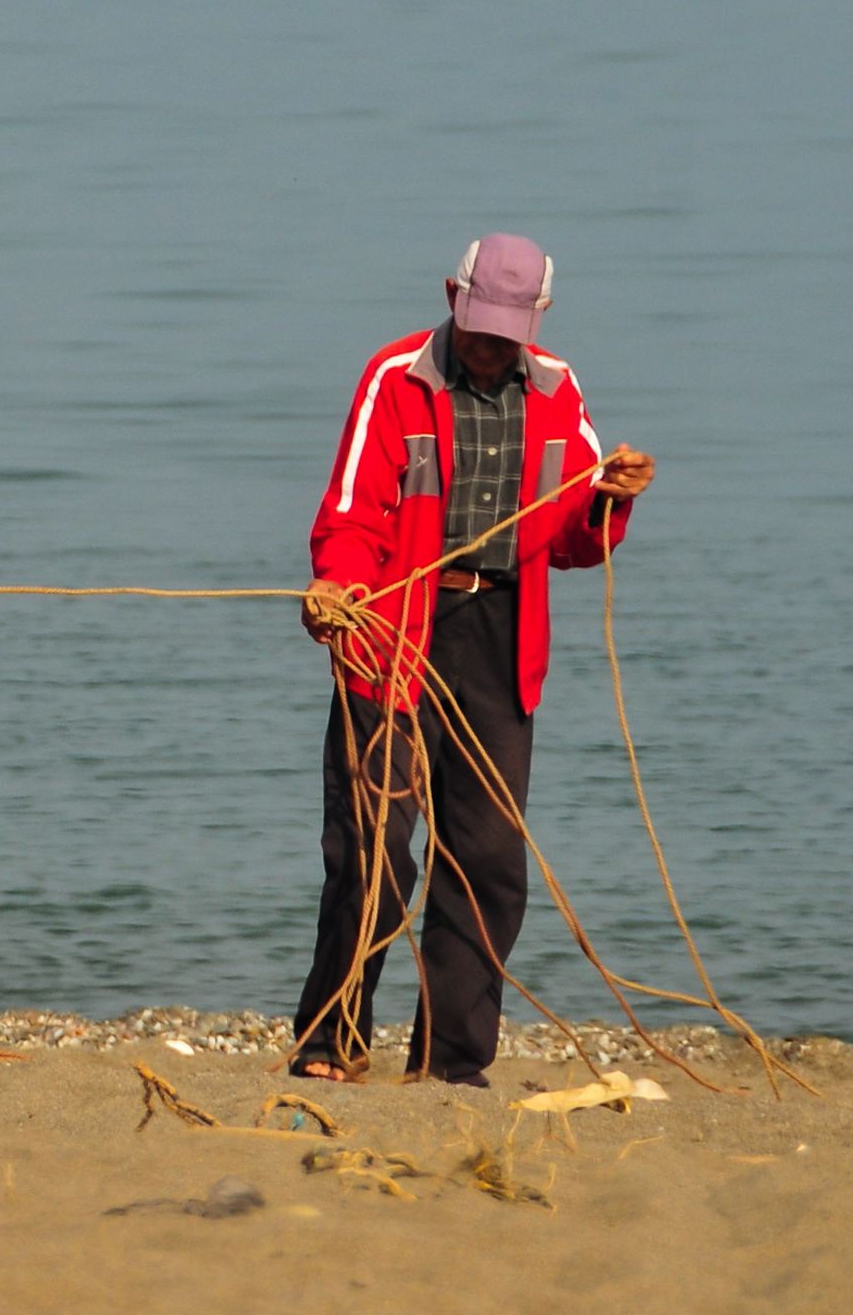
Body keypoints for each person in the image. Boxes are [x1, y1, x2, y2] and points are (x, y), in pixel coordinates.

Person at [287, 233, 656, 1087]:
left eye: (508, 329)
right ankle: (330, 1042)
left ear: (537, 319)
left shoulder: (560, 394)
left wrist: (608, 500)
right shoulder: (396, 378)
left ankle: (451, 1061)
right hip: (392, 628)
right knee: (372, 849)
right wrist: (335, 589)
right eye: (480, 323)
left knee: (487, 857)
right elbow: (349, 514)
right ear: (453, 295)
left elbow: (571, 541)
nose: (490, 344)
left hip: (502, 636)